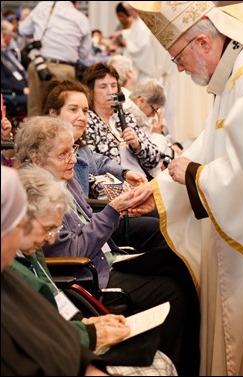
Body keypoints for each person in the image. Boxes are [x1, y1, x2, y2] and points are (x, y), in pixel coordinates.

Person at [14, 115, 201, 376]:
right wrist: (113, 211)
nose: (73, 159)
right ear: (36, 160)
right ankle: (175, 363)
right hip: (89, 274)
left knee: (177, 262)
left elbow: (87, 221)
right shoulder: (36, 195)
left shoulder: (64, 179)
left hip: (104, 259)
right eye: (63, 154)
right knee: (172, 290)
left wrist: (114, 210)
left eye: (73, 151)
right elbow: (73, 252)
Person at [126, 1, 243, 376]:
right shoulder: (232, 77)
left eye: (178, 57)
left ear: (203, 42)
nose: (178, 68)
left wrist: (195, 175)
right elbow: (208, 148)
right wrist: (158, 189)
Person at [1, 165, 109, 376]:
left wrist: (84, 323)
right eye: (47, 229)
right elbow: (34, 342)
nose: (51, 239)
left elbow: (50, 315)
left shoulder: (27, 257)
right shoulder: (12, 271)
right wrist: (89, 333)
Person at [40, 79, 164, 251]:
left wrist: (125, 173)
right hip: (89, 225)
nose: (82, 117)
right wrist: (115, 206)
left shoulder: (81, 147)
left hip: (99, 216)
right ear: (53, 114)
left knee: (163, 213)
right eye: (73, 109)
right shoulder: (45, 153)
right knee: (159, 227)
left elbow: (100, 161)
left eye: (85, 111)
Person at [82, 62, 161, 179]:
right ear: (91, 91)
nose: (110, 91)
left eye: (113, 85)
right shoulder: (87, 121)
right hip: (116, 186)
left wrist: (138, 145)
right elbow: (92, 165)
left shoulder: (126, 117)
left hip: (142, 180)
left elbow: (154, 160)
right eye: (103, 87)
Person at [18, 1, 92, 116]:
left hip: (39, 65)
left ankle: (33, 134)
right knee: (61, 114)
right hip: (64, 69)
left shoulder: (43, 6)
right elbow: (84, 53)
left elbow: (23, 30)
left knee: (35, 112)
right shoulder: (81, 19)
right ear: (76, 2)